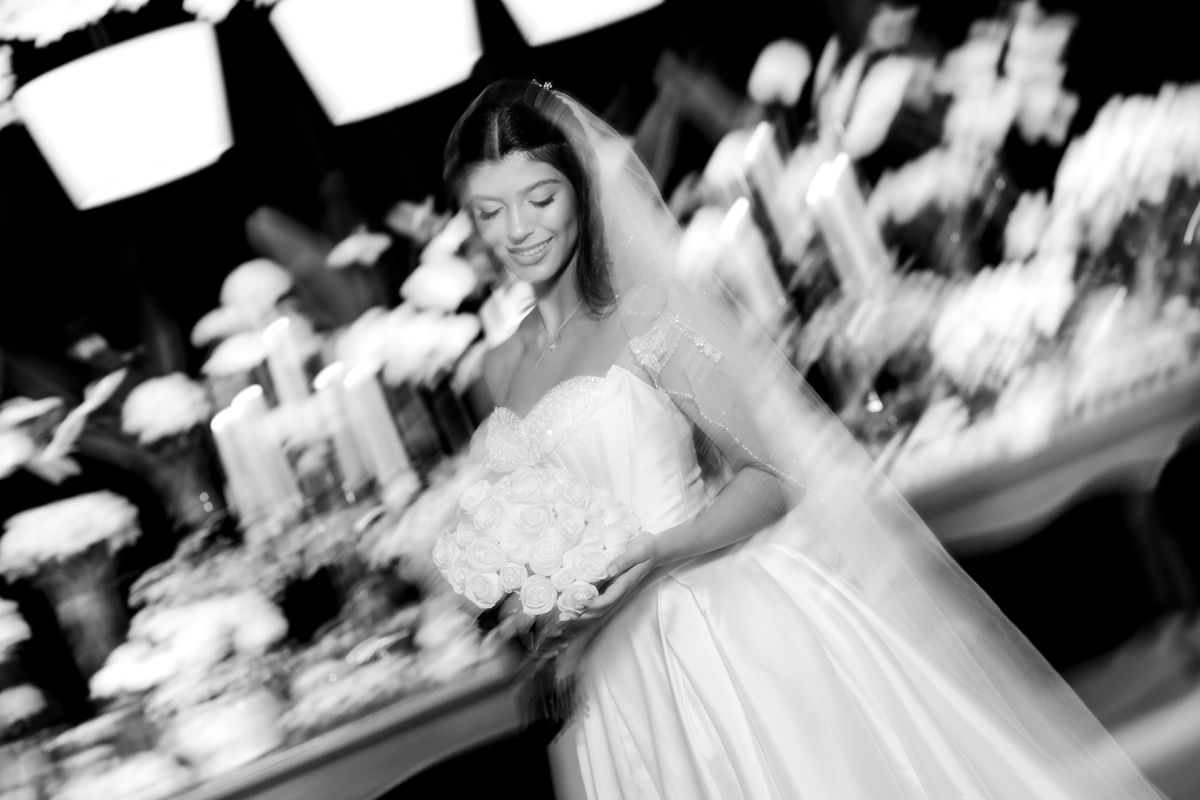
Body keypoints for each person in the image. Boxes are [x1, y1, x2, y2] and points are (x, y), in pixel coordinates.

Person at [443, 79, 1162, 799]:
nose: (519, 230)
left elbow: (772, 476)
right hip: (607, 694)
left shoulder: (648, 313)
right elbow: (532, 525)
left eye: (540, 198)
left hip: (711, 641)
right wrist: (531, 619)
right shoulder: (499, 368)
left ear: (578, 188)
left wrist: (658, 550)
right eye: (490, 212)